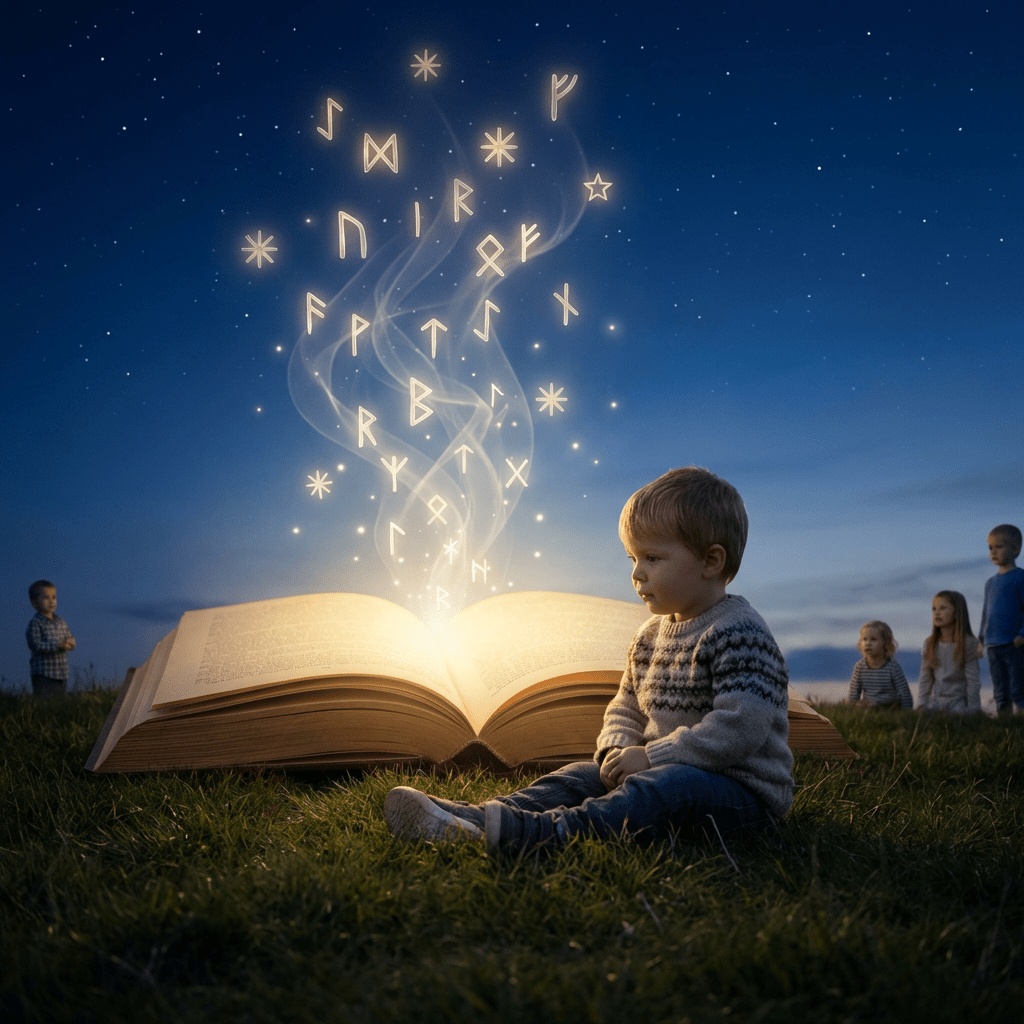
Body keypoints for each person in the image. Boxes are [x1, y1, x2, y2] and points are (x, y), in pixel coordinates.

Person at [384, 466, 794, 857]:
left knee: (667, 787)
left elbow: (741, 727)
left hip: (738, 794)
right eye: (632, 559)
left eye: (652, 558)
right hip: (658, 768)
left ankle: (540, 835)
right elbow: (626, 705)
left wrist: (654, 757)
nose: (637, 574)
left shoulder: (739, 632)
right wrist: (617, 750)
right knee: (579, 775)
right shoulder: (649, 636)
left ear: (711, 561)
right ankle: (476, 817)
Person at [977, 524, 1024, 715]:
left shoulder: (1020, 577)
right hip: (993, 645)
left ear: (1015, 549)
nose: (993, 552)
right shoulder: (990, 583)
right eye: (990, 548)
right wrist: (981, 640)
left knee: (1018, 687)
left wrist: (1022, 633)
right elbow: (985, 614)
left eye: (999, 547)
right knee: (1000, 689)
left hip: (1014, 644)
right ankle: (1005, 723)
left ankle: (1020, 721)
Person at [917, 591, 981, 713]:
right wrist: (921, 704)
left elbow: (973, 681)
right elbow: (925, 677)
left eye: (943, 608)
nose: (937, 612)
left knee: (956, 720)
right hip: (936, 701)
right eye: (934, 609)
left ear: (957, 613)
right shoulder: (929, 643)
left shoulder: (969, 643)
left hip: (958, 702)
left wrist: (973, 710)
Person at [25, 579, 76, 698]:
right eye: (46, 598)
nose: (51, 601)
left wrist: (70, 643)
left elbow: (69, 636)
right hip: (44, 674)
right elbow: (35, 645)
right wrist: (57, 645)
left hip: (61, 673)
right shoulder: (36, 623)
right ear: (34, 603)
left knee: (59, 704)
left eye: (53, 597)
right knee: (45, 704)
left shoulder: (60, 621)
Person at [847, 621, 913, 710]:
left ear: (885, 643)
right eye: (864, 639)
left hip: (890, 708)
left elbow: (905, 694)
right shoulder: (859, 667)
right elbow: (853, 696)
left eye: (873, 639)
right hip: (868, 709)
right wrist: (854, 707)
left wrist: (907, 714)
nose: (868, 643)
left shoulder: (893, 667)